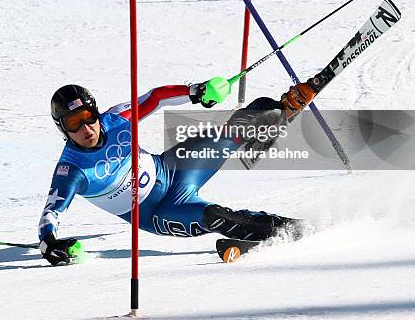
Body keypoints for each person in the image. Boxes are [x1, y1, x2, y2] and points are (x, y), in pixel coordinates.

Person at [38, 79, 316, 266]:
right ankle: (290, 228)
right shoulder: (71, 169)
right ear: (63, 128)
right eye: (74, 123)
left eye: (88, 117)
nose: (86, 129)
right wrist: (49, 243)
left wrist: (196, 91)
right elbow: (51, 212)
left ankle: (284, 108)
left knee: (233, 131)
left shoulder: (116, 119)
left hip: (174, 168)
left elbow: (156, 98)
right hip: (161, 211)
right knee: (215, 216)